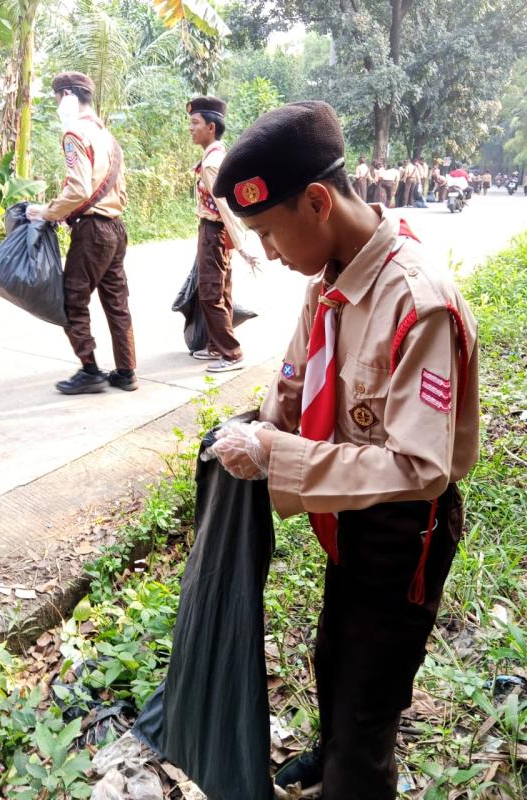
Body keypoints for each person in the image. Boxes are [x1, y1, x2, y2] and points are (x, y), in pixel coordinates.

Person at [208, 101, 480, 800]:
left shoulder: (416, 301)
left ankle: (353, 773)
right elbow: (296, 376)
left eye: (269, 232)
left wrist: (277, 456)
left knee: (369, 700)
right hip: (347, 515)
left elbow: (418, 469)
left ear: (318, 202)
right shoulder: (328, 279)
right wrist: (261, 427)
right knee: (334, 654)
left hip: (402, 530)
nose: (269, 252)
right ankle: (331, 755)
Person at [26, 72, 137, 394]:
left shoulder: (75, 132)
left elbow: (78, 189)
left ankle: (89, 370)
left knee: (72, 299)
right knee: (117, 302)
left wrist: (46, 211)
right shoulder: (107, 136)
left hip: (93, 232)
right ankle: (126, 371)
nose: (56, 104)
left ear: (67, 97)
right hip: (116, 227)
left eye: (57, 98)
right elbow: (121, 191)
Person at [187, 96, 259, 373]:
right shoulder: (217, 155)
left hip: (214, 232)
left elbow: (226, 206)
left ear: (211, 127)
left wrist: (241, 246)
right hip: (218, 233)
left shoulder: (211, 163)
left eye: (195, 123)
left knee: (210, 293)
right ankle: (217, 346)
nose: (191, 128)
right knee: (222, 290)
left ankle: (232, 353)